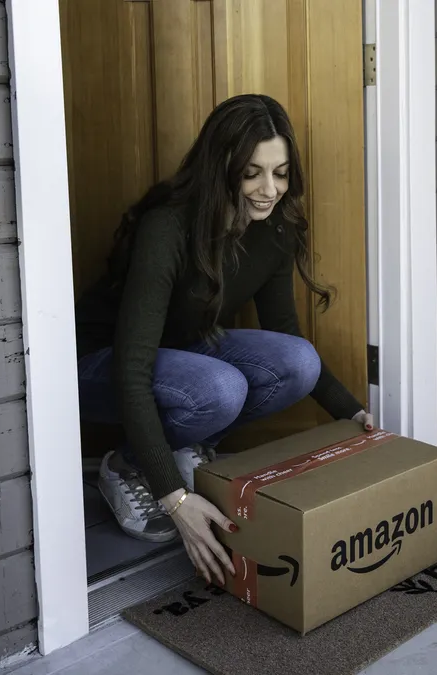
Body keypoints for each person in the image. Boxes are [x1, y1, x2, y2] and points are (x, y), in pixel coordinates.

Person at [74, 94, 374, 585]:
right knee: (220, 388)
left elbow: (286, 337)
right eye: (252, 172)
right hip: (100, 365)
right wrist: (176, 500)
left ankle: (178, 446)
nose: (269, 189)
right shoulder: (167, 227)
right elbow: (132, 371)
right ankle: (127, 466)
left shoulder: (275, 229)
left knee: (298, 361)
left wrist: (354, 413)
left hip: (179, 359)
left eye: (280, 173)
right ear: (222, 168)